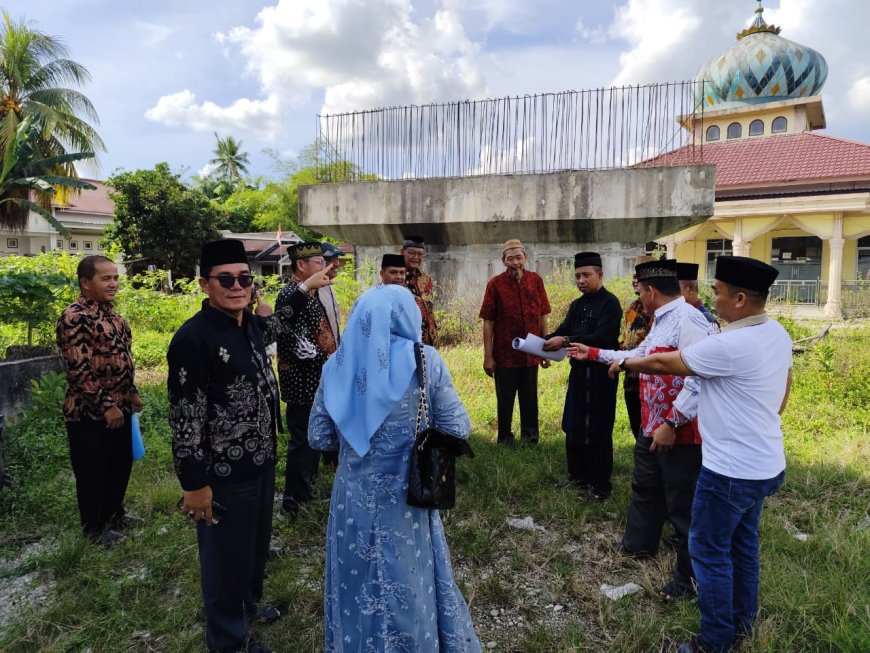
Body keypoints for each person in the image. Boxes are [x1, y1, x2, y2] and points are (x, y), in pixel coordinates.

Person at [598, 256, 790, 653]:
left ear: (739, 299)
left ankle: (714, 642)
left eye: (716, 292)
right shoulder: (776, 333)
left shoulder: (731, 344)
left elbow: (665, 362)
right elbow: (782, 395)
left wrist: (625, 361)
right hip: (765, 463)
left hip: (730, 471)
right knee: (743, 546)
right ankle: (742, 625)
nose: (706, 298)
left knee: (709, 553)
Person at [168, 238, 333, 653]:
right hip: (221, 474)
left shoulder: (251, 327)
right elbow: (185, 418)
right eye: (226, 279)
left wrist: (305, 286)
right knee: (225, 559)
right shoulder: (195, 338)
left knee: (254, 548)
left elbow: (282, 320)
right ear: (205, 284)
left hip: (259, 462)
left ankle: (247, 609)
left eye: (244, 278)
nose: (237, 286)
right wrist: (194, 484)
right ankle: (229, 640)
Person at [308, 284, 481, 653]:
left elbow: (319, 437)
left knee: (356, 580)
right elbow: (457, 427)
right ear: (407, 316)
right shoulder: (425, 359)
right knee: (409, 577)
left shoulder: (334, 366)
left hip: (351, 499)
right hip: (407, 497)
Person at [568, 259, 713, 602]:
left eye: (640, 289)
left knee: (682, 502)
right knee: (645, 485)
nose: (639, 294)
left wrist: (673, 423)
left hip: (680, 430)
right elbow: (635, 354)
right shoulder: (660, 321)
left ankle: (688, 580)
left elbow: (700, 378)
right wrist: (593, 353)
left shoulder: (690, 320)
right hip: (652, 423)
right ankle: (638, 547)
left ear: (649, 291)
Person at [56, 255, 143, 547]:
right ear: (85, 283)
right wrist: (107, 405)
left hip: (122, 407)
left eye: (116, 278)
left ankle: (114, 514)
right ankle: (94, 529)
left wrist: (131, 392)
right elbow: (78, 368)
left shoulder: (114, 316)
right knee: (93, 471)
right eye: (106, 278)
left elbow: (124, 359)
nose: (114, 283)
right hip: (88, 413)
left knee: (120, 464)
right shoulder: (74, 317)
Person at [542, 252, 621, 499]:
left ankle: (599, 486)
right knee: (574, 424)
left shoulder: (610, 303)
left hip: (600, 375)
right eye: (577, 276)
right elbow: (564, 330)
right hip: (578, 375)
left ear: (600, 275)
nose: (581, 280)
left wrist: (564, 341)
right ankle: (577, 477)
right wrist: (539, 343)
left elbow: (603, 338)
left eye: (586, 275)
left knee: (598, 427)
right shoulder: (577, 305)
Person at [274, 242, 338, 515]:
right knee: (302, 440)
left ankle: (304, 492)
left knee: (312, 439)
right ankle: (293, 503)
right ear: (301, 265)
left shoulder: (314, 293)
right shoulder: (291, 294)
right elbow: (290, 338)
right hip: (302, 381)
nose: (323, 267)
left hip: (318, 379)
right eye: (318, 263)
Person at [479, 239, 551, 446]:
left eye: (518, 257)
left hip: (531, 354)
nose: (515, 262)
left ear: (525, 258)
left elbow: (542, 317)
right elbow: (488, 322)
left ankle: (530, 438)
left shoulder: (536, 280)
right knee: (505, 399)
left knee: (530, 397)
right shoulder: (495, 284)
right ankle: (504, 438)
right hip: (504, 355)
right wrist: (488, 356)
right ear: (503, 261)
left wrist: (545, 351)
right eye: (510, 258)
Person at [621, 255, 656, 438]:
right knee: (637, 431)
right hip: (630, 381)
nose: (635, 280)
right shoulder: (632, 308)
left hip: (650, 383)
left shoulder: (658, 311)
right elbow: (625, 342)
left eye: (639, 276)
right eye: (633, 275)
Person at [319, 242, 345, 469]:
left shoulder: (328, 286)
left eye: (337, 259)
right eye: (330, 259)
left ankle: (330, 455)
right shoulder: (310, 291)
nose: (336, 263)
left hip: (333, 359)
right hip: (316, 365)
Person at [402, 235, 438, 345]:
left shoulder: (425, 277)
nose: (416, 257)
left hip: (428, 339)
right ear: (402, 252)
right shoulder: (397, 277)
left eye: (420, 254)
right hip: (407, 338)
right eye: (411, 253)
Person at [677, 262, 720, 330]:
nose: (669, 293)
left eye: (674, 288)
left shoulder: (706, 320)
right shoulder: (679, 315)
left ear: (691, 288)